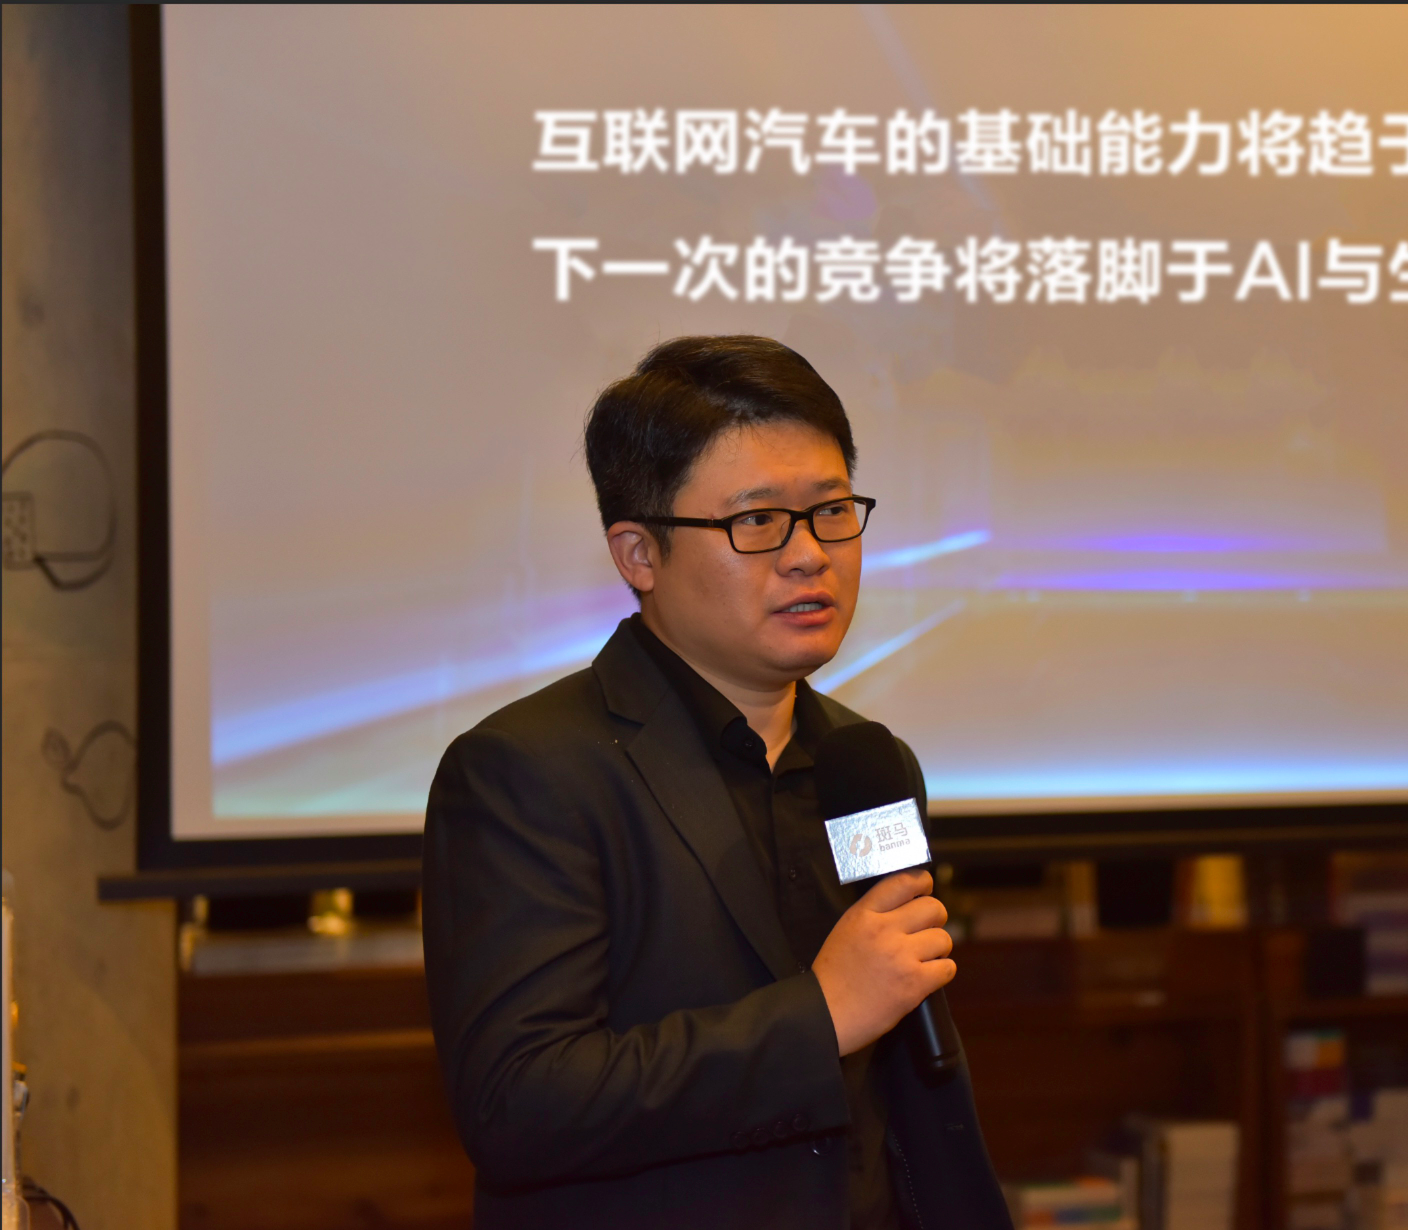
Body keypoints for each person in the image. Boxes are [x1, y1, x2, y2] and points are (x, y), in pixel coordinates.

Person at [421, 336, 1010, 1229]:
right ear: (638, 554)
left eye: (831, 511)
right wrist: (819, 1017)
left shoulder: (867, 763)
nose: (809, 554)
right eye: (758, 521)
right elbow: (519, 1103)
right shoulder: (528, 771)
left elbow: (910, 1065)